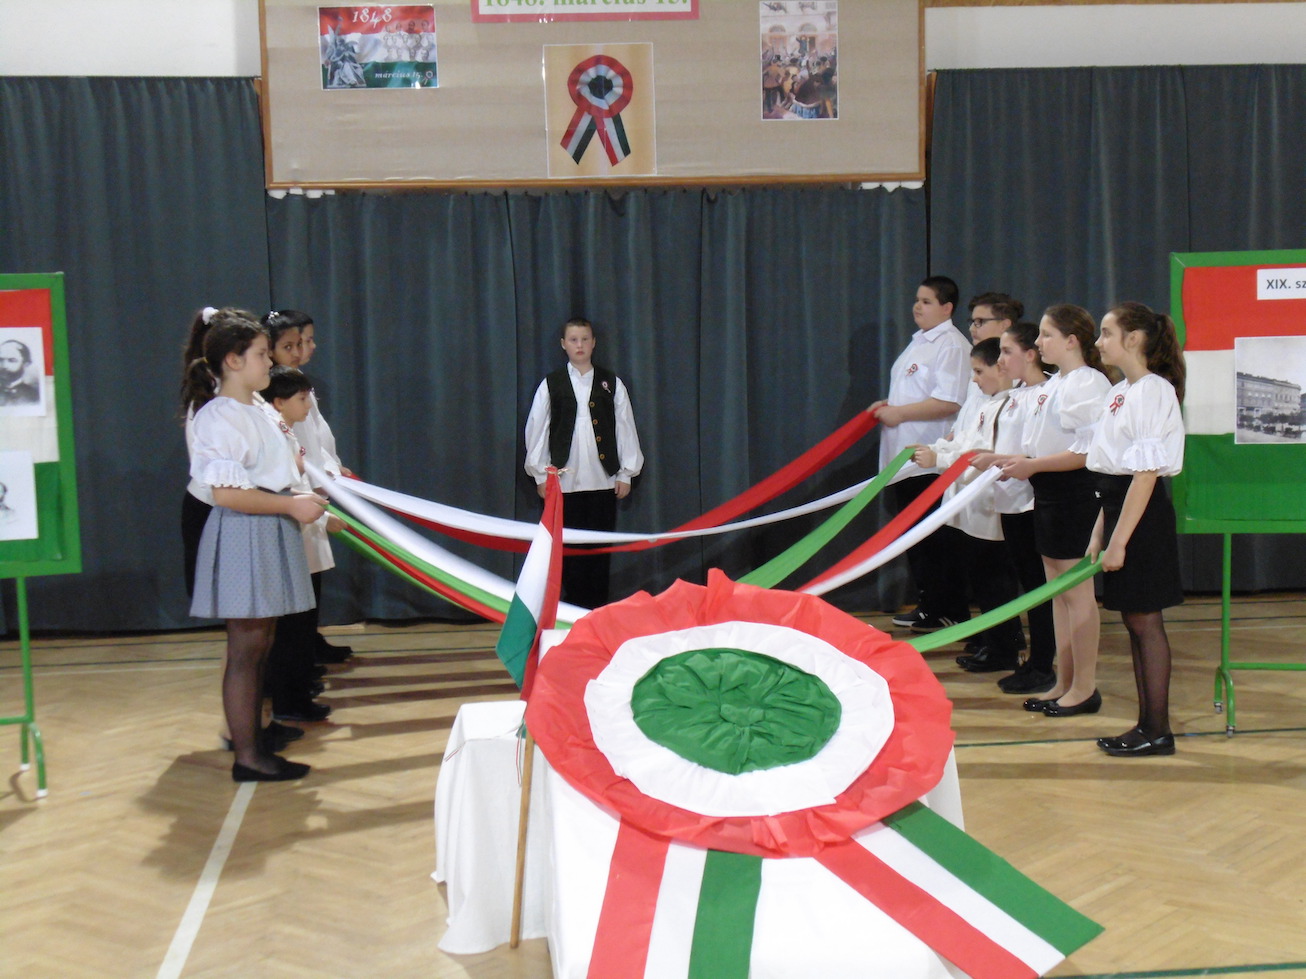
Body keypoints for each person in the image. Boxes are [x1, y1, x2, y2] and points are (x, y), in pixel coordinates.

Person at [182, 308, 325, 782]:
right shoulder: (220, 415)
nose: (269, 362)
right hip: (246, 531)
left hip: (266, 526)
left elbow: (276, 468)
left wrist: (300, 494)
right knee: (246, 649)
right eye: (262, 354)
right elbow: (226, 494)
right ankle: (247, 756)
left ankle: (255, 743)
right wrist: (289, 506)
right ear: (233, 361)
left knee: (261, 644)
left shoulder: (257, 408)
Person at [996, 305, 1112, 717]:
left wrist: (1034, 465)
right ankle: (1064, 680)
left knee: (1077, 595)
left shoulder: (1086, 382)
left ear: (1071, 341)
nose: (1039, 342)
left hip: (1074, 492)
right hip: (1048, 491)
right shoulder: (1057, 382)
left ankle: (1084, 686)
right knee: (1057, 594)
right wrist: (1021, 462)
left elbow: (1087, 451)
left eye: (1047, 335)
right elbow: (1040, 442)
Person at [1087, 301, 1186, 756]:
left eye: (1107, 333)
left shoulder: (1153, 390)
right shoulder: (1120, 391)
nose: (1099, 342)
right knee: (1134, 621)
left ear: (1134, 339)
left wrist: (1120, 541)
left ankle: (1157, 729)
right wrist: (1099, 532)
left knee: (1145, 621)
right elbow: (1113, 474)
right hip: (1120, 510)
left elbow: (1143, 476)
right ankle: (1146, 726)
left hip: (1142, 519)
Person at [911, 338, 1023, 668]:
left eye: (979, 371)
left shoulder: (1010, 406)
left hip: (991, 506)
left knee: (996, 582)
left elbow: (985, 456)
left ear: (1000, 368)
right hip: (971, 505)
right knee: (982, 580)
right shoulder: (986, 402)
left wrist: (940, 459)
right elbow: (964, 443)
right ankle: (991, 642)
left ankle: (1003, 650)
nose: (973, 379)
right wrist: (936, 451)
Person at [871, 275, 972, 632]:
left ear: (947, 308)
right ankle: (929, 604)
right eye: (917, 299)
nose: (917, 306)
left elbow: (949, 401)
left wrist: (899, 413)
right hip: (905, 460)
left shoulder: (951, 345)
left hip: (929, 458)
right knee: (916, 536)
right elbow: (917, 393)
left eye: (927, 301)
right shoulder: (919, 343)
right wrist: (890, 405)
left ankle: (947, 608)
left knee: (935, 537)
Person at [524, 317, 643, 610]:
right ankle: (572, 607)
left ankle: (596, 608)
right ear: (563, 344)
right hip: (565, 482)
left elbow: (624, 427)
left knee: (599, 548)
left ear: (594, 343)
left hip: (603, 480)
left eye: (585, 339)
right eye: (574, 340)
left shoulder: (611, 383)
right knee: (569, 548)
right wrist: (540, 475)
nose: (580, 345)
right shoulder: (551, 384)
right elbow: (538, 428)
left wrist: (626, 473)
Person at [262, 309, 355, 666]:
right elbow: (297, 450)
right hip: (297, 494)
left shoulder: (296, 384)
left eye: (305, 342)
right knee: (298, 588)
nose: (304, 349)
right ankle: (296, 664)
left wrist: (332, 468)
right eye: (292, 345)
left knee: (311, 583)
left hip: (312, 488)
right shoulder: (277, 392)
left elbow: (316, 439)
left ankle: (306, 649)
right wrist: (320, 475)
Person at [261, 364, 345, 723]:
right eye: (301, 399)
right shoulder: (273, 435)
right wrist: (323, 518)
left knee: (300, 624)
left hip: (301, 532)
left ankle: (294, 694)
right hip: (289, 534)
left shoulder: (285, 431)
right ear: (279, 402)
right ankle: (288, 700)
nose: (308, 406)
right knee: (290, 628)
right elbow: (286, 490)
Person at [0, 339, 39, 405]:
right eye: (0, 360)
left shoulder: (34, 395)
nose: (4, 366)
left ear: (26, 364)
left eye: (12, 360)